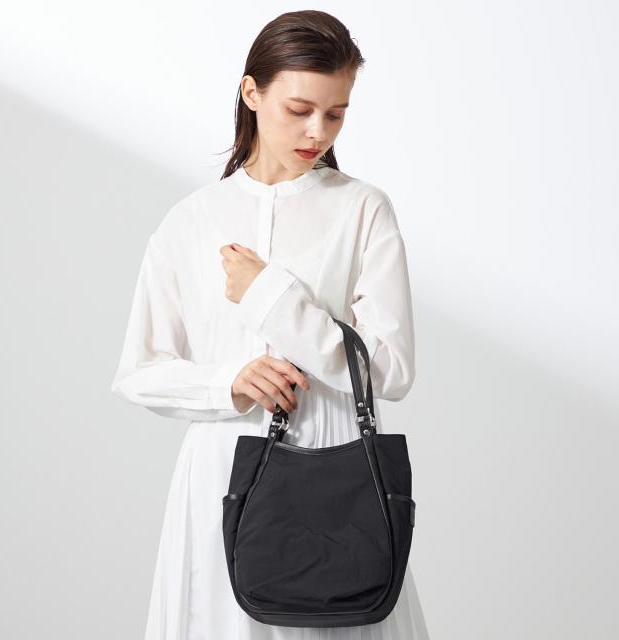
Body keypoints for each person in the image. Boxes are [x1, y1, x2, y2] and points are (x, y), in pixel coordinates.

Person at [111, 9, 429, 640]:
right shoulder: (191, 220)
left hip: (337, 472)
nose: (318, 131)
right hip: (222, 472)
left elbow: (390, 371)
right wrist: (229, 382)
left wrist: (271, 298)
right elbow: (139, 372)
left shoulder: (362, 209)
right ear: (251, 93)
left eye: (336, 113)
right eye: (299, 109)